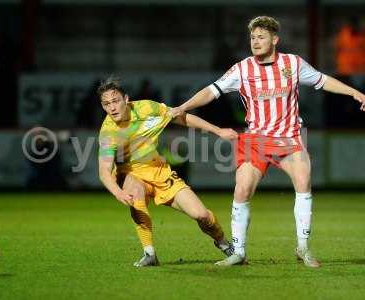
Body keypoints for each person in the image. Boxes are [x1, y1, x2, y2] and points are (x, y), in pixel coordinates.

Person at [171, 16, 365, 268]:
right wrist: (183, 106)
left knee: (304, 179)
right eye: (252, 38)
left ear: (275, 40)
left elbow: (322, 80)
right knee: (242, 190)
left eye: (261, 37)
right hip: (256, 140)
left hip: (288, 138)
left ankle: (303, 247)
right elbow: (211, 90)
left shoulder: (292, 64)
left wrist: (354, 91)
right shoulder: (242, 69)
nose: (255, 42)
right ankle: (238, 252)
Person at [97, 78, 237, 267]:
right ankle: (149, 253)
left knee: (201, 215)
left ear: (126, 99)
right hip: (132, 174)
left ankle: (223, 243)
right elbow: (104, 170)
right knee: (134, 193)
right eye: (106, 104)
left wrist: (217, 130)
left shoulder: (147, 108)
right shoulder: (108, 133)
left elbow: (180, 116)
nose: (112, 108)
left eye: (115, 101)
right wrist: (118, 192)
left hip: (160, 172)